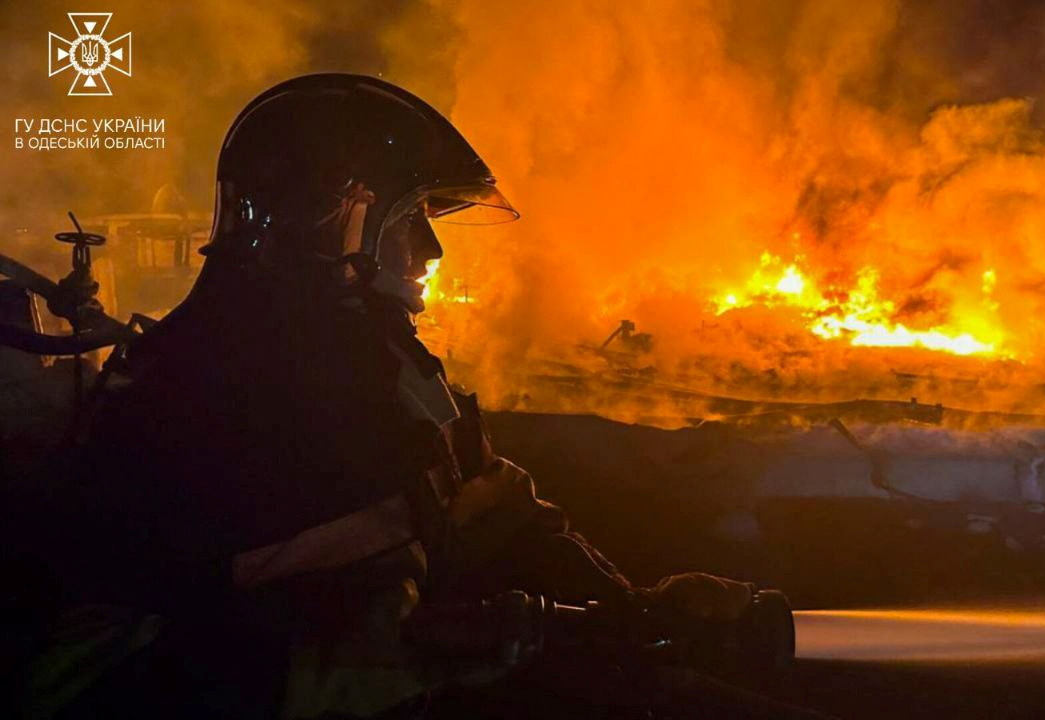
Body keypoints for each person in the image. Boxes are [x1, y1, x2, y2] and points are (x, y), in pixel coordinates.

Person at [29, 74, 756, 719]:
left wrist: (635, 608)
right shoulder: (194, 393)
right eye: (411, 223)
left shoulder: (387, 365)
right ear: (333, 216)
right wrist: (422, 655)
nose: (431, 254)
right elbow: (120, 673)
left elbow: (496, 509)